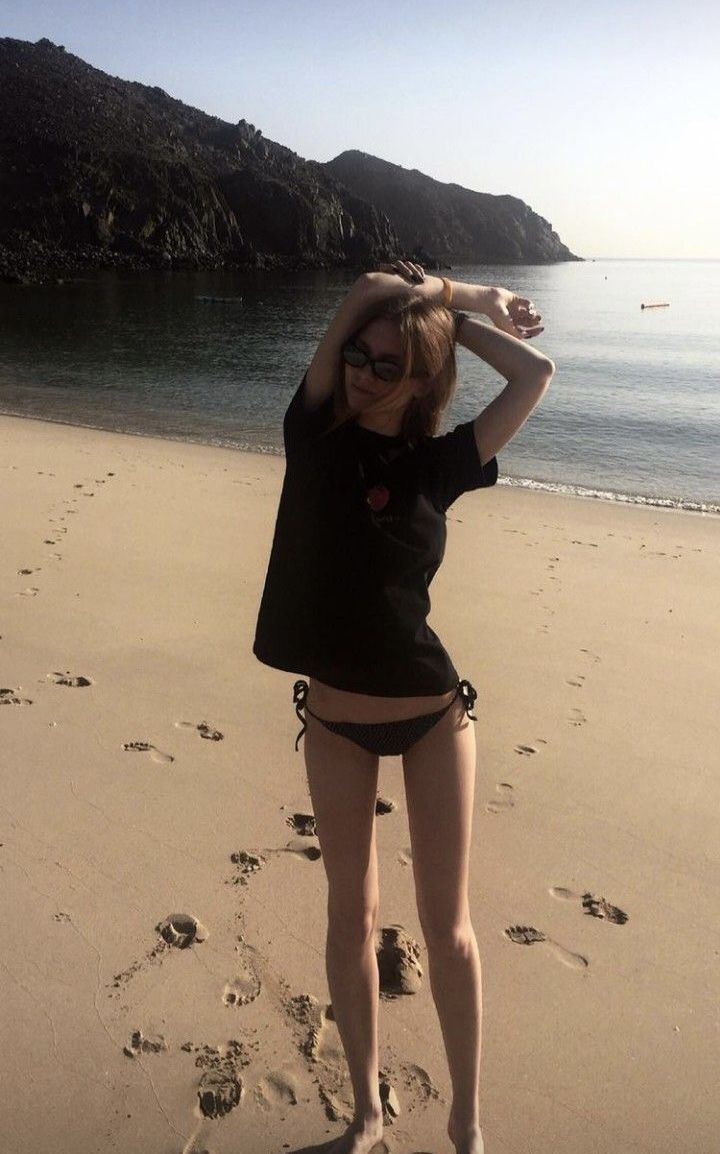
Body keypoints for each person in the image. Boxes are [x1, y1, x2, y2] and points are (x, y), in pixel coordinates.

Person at [253, 263, 554, 1154]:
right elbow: (364, 288)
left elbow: (536, 378)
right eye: (360, 356)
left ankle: (465, 1122)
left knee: (448, 931)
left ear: (421, 379)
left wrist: (452, 329)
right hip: (338, 717)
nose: (364, 372)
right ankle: (367, 1114)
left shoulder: (439, 465)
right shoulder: (311, 434)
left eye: (389, 366)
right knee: (349, 917)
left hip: (431, 713)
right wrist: (451, 298)